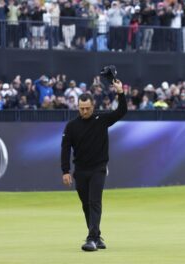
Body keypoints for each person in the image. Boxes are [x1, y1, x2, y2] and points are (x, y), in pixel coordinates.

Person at [61, 79, 127, 252]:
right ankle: (97, 236)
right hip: (80, 171)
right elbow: (65, 149)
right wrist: (65, 171)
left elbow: (122, 111)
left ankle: (91, 239)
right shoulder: (71, 126)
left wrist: (120, 92)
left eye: (87, 108)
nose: (84, 111)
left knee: (94, 201)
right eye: (81, 108)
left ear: (93, 106)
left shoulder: (101, 119)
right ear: (78, 107)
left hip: (98, 168)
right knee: (85, 204)